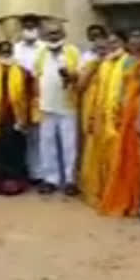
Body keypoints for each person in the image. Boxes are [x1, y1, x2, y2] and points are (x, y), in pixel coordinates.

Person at [100, 27, 140, 217]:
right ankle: (129, 198)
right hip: (127, 112)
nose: (134, 40)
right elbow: (122, 88)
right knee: (126, 156)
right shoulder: (127, 61)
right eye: (132, 37)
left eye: (138, 35)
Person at [33, 20, 81, 195]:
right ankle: (50, 179)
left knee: (69, 145)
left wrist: (70, 76)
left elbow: (79, 76)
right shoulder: (40, 53)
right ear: (45, 36)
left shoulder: (73, 52)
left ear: (63, 34)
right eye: (50, 33)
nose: (53, 36)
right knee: (47, 144)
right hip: (46, 106)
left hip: (68, 106)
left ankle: (70, 180)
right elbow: (36, 77)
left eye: (56, 33)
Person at [81, 30, 125, 208]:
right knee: (98, 156)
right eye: (110, 43)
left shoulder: (127, 62)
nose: (112, 45)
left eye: (116, 42)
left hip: (119, 117)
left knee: (116, 157)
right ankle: (101, 191)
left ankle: (116, 193)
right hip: (100, 116)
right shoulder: (103, 64)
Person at [0, 41, 32, 195]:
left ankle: (15, 181)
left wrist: (27, 117)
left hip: (16, 116)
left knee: (16, 148)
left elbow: (30, 94)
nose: (6, 54)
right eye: (3, 52)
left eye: (8, 51)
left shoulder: (23, 71)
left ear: (12, 52)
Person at [13, 15, 43, 182]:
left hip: (40, 96)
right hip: (20, 97)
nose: (29, 29)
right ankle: (26, 172)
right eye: (26, 26)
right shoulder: (16, 48)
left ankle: (40, 174)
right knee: (23, 135)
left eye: (33, 26)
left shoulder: (45, 48)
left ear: (38, 28)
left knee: (40, 137)